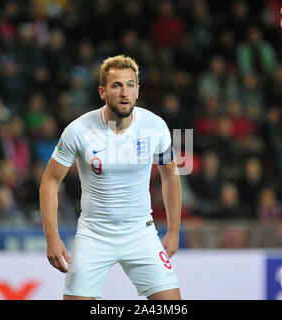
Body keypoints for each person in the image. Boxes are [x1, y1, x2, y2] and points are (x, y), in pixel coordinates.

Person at [39, 55, 182, 300]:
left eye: (130, 85)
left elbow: (170, 175)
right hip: (94, 234)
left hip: (141, 232)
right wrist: (52, 238)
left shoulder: (155, 126)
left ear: (138, 90)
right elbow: (49, 181)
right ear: (102, 92)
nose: (124, 92)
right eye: (116, 86)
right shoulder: (78, 130)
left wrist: (174, 230)